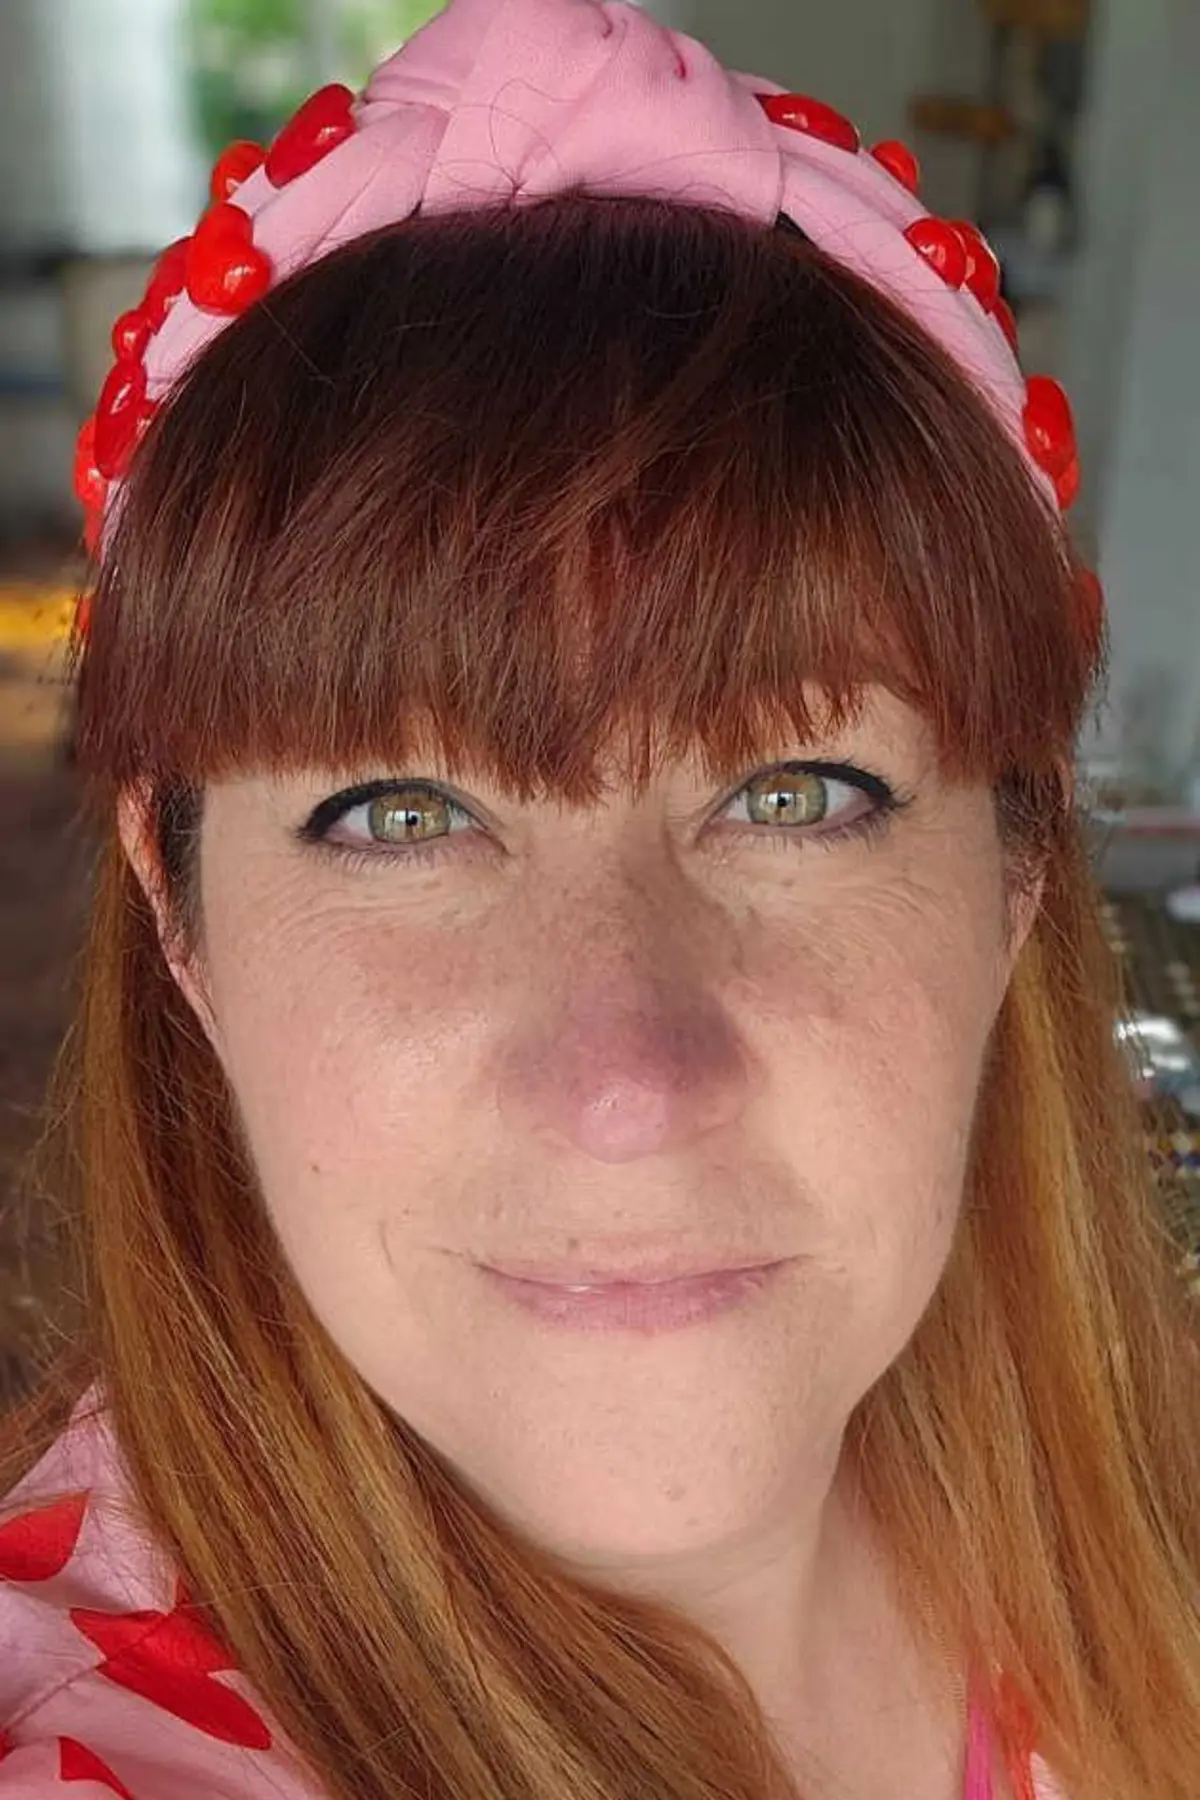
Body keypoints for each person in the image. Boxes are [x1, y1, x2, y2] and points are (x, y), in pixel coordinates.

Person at [1, 0, 1197, 1794]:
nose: (628, 1084)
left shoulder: (1149, 1507)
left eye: (797, 794)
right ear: (180, 914)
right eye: (401, 814)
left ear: (1021, 865)